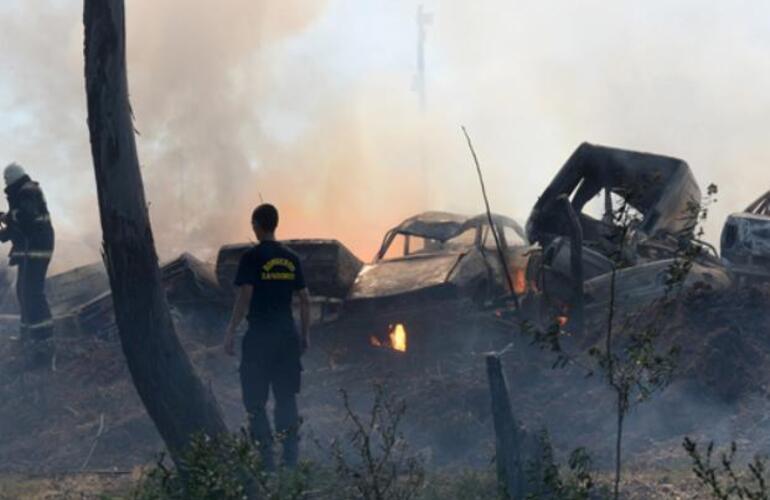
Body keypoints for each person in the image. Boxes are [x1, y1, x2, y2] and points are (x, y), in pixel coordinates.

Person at [224, 203, 311, 470]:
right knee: (286, 399)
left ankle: (266, 461)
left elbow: (245, 295)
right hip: (287, 336)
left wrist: (230, 331)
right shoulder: (291, 258)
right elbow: (305, 299)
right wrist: (304, 335)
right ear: (275, 224)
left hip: (260, 337)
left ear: (256, 225)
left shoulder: (251, 257)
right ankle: (290, 462)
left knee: (255, 402)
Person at [0, 163, 55, 352]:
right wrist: (4, 231)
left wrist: (5, 218)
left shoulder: (27, 190)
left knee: (32, 293)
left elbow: (25, 217)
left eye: (6, 179)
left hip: (37, 249)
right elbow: (17, 227)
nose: (5, 183)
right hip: (29, 249)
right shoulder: (20, 194)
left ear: (12, 178)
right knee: (23, 291)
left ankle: (44, 338)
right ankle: (27, 335)